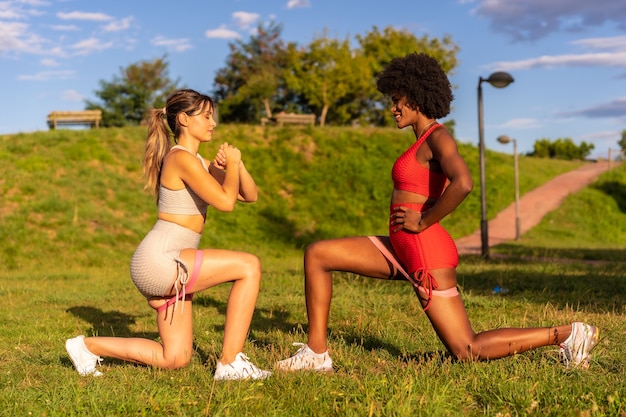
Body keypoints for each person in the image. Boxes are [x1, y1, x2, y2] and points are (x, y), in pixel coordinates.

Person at [275, 53, 598, 372]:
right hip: (403, 247)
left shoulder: (438, 137)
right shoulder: (421, 142)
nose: (393, 108)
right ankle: (316, 354)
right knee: (318, 255)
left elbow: (464, 183)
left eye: (398, 100)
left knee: (467, 348)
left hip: (424, 250)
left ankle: (569, 334)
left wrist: (424, 220)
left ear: (416, 98)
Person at [66, 89, 271, 380]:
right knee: (249, 266)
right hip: (162, 259)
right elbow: (225, 203)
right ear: (184, 119)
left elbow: (248, 196)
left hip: (167, 261)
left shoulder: (198, 163)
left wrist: (237, 165)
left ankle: (85, 346)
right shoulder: (180, 159)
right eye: (207, 116)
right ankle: (230, 362)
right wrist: (233, 165)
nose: (213, 123)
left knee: (174, 357)